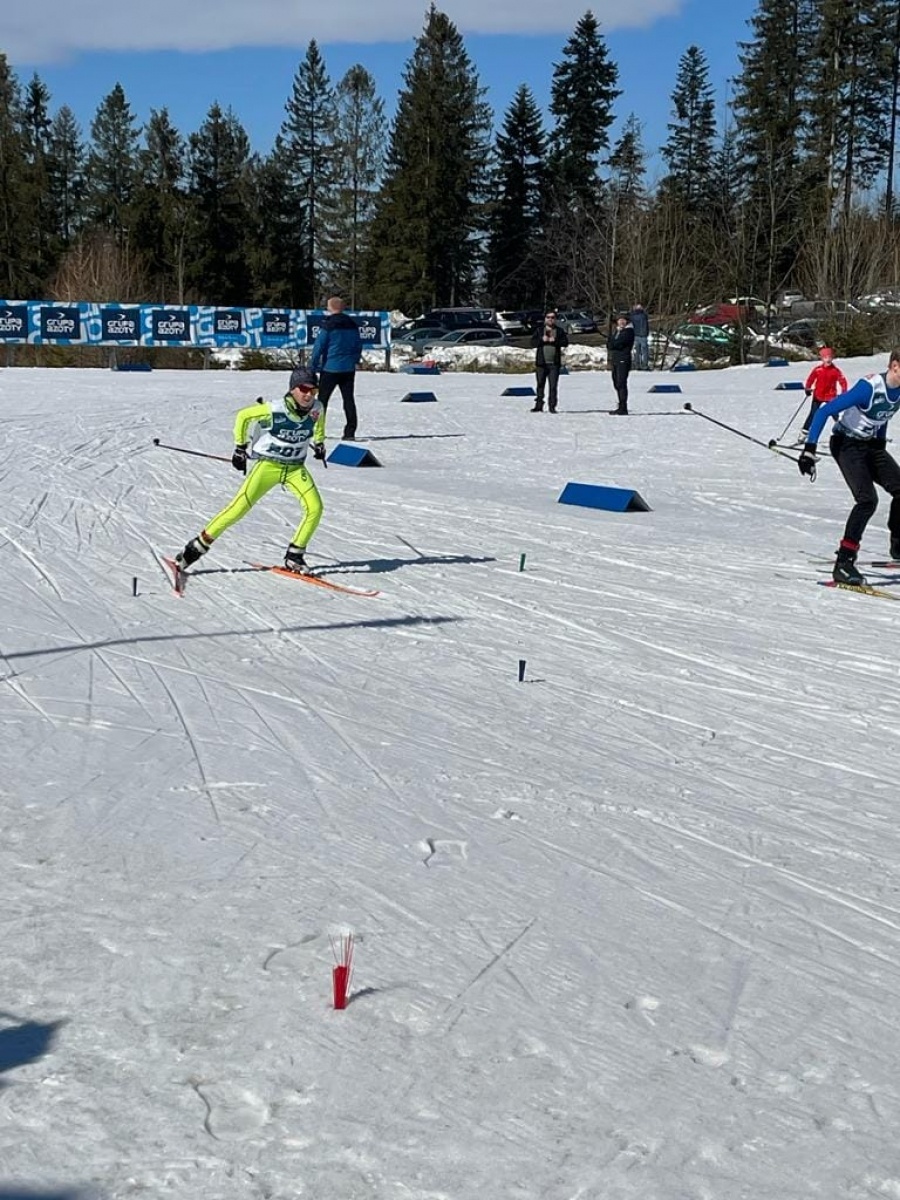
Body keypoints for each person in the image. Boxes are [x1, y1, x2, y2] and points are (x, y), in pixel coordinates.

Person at [175, 366, 326, 575]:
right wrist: (239, 447)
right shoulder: (275, 408)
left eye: (313, 390)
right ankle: (193, 550)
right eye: (303, 389)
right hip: (268, 466)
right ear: (293, 389)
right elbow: (243, 416)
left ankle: (295, 556)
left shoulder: (318, 407)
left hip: (295, 469)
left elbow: (318, 424)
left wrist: (319, 443)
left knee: (315, 508)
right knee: (237, 510)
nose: (308, 394)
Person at [798, 349, 900, 585]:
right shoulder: (869, 387)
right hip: (845, 444)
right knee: (867, 500)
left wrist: (880, 441)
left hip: (870, 446)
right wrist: (809, 449)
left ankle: (898, 544)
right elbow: (824, 411)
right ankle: (843, 563)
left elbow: (882, 416)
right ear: (895, 366)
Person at [310, 296, 363, 441]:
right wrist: (354, 360)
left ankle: (317, 430)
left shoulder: (328, 325)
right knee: (348, 400)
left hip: (330, 368)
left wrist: (312, 366)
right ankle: (350, 432)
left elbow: (319, 346)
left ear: (330, 308)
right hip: (348, 369)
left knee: (322, 401)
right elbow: (358, 345)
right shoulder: (352, 324)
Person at [798, 347, 848, 441]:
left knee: (834, 414)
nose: (828, 360)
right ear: (822, 359)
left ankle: (843, 432)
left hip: (831, 396)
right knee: (813, 414)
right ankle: (804, 433)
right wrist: (807, 388)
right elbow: (810, 379)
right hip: (818, 395)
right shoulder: (818, 370)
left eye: (830, 357)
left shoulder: (835, 371)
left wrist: (844, 391)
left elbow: (843, 381)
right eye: (825, 358)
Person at [530, 311, 569, 412]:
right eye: (548, 317)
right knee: (540, 385)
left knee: (553, 386)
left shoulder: (559, 331)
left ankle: (552, 406)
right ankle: (539, 405)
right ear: (545, 319)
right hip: (541, 363)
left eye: (552, 317)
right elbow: (532, 343)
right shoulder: (539, 330)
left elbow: (565, 343)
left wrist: (555, 341)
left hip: (554, 364)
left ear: (555, 319)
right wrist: (542, 340)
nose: (550, 319)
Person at [607, 314, 635, 414]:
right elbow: (610, 344)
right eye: (620, 320)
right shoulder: (617, 331)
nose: (621, 322)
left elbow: (619, 344)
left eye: (623, 320)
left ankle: (623, 407)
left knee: (621, 383)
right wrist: (614, 343)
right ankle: (620, 404)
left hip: (623, 359)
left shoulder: (629, 331)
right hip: (615, 359)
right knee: (616, 382)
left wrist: (614, 343)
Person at [629, 303, 650, 370]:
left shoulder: (632, 316)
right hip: (643, 335)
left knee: (637, 351)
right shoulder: (644, 315)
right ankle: (645, 365)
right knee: (645, 352)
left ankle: (637, 365)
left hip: (635, 335)